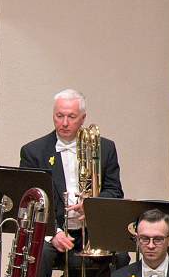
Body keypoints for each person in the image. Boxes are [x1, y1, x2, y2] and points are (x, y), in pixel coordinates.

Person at [18, 90, 121, 265]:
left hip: (92, 229)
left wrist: (92, 206)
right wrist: (54, 233)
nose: (64, 123)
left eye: (72, 117)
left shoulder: (105, 148)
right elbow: (31, 200)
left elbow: (115, 191)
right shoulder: (33, 152)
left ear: (83, 118)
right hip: (55, 230)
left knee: (120, 257)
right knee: (39, 254)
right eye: (59, 116)